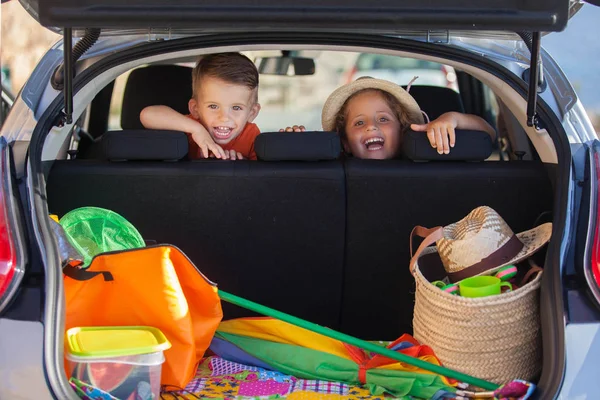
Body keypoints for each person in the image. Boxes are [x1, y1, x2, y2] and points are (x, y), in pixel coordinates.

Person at [282, 77, 496, 160]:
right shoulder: (331, 173)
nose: (371, 127)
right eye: (359, 122)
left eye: (383, 119)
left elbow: (489, 135)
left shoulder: (428, 159)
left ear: (402, 129)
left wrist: (452, 119)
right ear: (345, 142)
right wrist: (292, 145)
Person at [140, 52, 261, 160]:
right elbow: (147, 115)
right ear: (195, 108)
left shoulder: (251, 136)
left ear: (252, 113)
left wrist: (244, 165)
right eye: (213, 106)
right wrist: (196, 130)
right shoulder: (189, 127)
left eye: (236, 108)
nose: (224, 117)